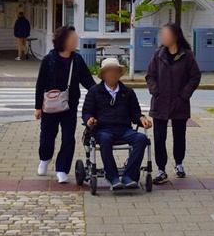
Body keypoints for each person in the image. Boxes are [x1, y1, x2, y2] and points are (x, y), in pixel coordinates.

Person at [34, 26, 96, 183]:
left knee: (68, 138)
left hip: (69, 106)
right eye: (73, 39)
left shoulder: (77, 59)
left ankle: (62, 169)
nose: (76, 42)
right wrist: (37, 107)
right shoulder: (49, 60)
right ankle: (45, 159)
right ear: (63, 41)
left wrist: (102, 91)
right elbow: (40, 84)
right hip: (50, 106)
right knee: (47, 137)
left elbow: (87, 80)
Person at [82, 58, 153, 189]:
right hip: (103, 129)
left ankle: (128, 175)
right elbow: (86, 112)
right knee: (105, 138)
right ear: (102, 74)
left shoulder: (128, 92)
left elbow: (135, 114)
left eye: (115, 71)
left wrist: (142, 118)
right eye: (108, 71)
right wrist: (89, 119)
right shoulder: (94, 91)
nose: (112, 74)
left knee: (141, 139)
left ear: (120, 73)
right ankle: (112, 176)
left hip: (124, 129)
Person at [146, 23, 201, 184]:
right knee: (159, 137)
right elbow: (150, 76)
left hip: (179, 103)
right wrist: (155, 91)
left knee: (179, 135)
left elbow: (195, 77)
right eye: (162, 34)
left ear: (175, 36)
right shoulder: (158, 54)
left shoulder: (187, 55)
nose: (163, 37)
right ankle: (161, 168)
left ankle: (179, 164)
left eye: (166, 34)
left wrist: (184, 95)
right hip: (160, 103)